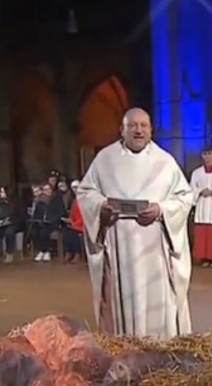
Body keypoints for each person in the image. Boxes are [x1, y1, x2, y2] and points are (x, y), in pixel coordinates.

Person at [76, 107, 193, 339]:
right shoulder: (105, 159)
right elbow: (86, 192)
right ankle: (124, 349)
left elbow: (184, 197)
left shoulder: (165, 162)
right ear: (122, 129)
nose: (138, 130)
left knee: (156, 303)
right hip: (119, 247)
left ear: (151, 130)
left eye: (143, 126)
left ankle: (159, 348)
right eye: (132, 126)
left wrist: (161, 209)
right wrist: (101, 206)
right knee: (121, 306)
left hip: (154, 252)